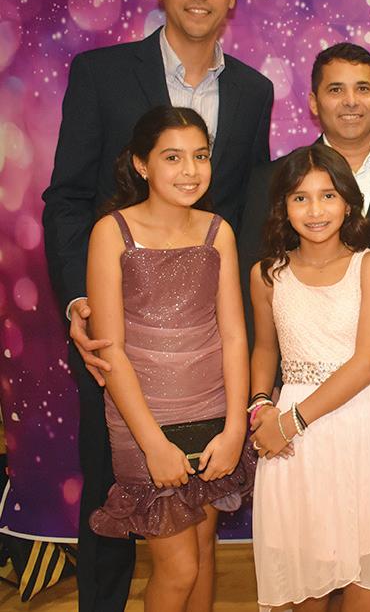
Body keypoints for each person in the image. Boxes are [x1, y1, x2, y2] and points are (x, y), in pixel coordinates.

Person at [41, 0, 273, 612]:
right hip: (118, 341)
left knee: (198, 543)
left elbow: (246, 210)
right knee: (111, 501)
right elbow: (67, 199)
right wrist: (80, 303)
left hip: (206, 361)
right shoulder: (102, 73)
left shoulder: (254, 91)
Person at [87, 106, 254, 612]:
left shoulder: (218, 232)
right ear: (142, 164)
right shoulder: (111, 232)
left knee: (202, 555)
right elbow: (110, 349)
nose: (190, 170)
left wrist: (235, 429)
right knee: (178, 568)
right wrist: (153, 443)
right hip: (143, 420)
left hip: (211, 411)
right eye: (173, 157)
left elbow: (234, 336)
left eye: (200, 156)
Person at [239, 42, 370, 417]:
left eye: (363, 88)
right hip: (293, 393)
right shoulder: (271, 181)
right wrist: (263, 394)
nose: (351, 101)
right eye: (336, 89)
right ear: (313, 102)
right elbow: (256, 294)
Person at [249, 145, 370, 611]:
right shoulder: (268, 274)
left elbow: (367, 363)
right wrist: (260, 406)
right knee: (303, 585)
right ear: (283, 206)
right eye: (301, 198)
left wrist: (290, 421)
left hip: (356, 426)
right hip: (293, 445)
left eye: (328, 196)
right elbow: (265, 348)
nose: (315, 211)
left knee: (363, 583)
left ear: (348, 203)